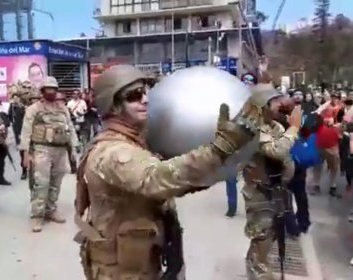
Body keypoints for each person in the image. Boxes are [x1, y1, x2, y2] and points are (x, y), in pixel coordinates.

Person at [74, 65, 262, 280]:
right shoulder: (112, 152)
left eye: (146, 92)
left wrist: (209, 172)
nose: (145, 99)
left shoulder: (135, 143)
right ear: (113, 105)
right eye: (135, 95)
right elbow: (155, 179)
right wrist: (219, 149)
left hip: (140, 263)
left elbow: (168, 181)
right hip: (120, 272)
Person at [242, 83, 302, 280]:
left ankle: (255, 261)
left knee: (273, 232)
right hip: (260, 192)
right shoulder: (255, 128)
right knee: (262, 234)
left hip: (277, 190)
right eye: (274, 101)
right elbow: (276, 151)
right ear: (262, 105)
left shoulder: (274, 125)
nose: (279, 104)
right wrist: (293, 128)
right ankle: (259, 270)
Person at [20, 76, 78, 232]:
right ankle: (37, 216)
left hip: (60, 150)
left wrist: (74, 148)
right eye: (48, 89)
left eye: (54, 89)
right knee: (41, 183)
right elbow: (26, 131)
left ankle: (51, 209)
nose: (51, 91)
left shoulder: (62, 108)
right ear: (43, 90)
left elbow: (70, 128)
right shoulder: (34, 109)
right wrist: (26, 153)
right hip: (41, 149)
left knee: (56, 182)